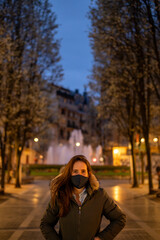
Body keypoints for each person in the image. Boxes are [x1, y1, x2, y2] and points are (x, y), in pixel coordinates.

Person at [40, 155, 126, 240]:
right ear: (70, 174)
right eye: (75, 171)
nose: (79, 175)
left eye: (83, 171)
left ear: (89, 174)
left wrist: (101, 238)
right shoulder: (60, 196)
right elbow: (45, 223)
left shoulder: (100, 195)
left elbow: (119, 218)